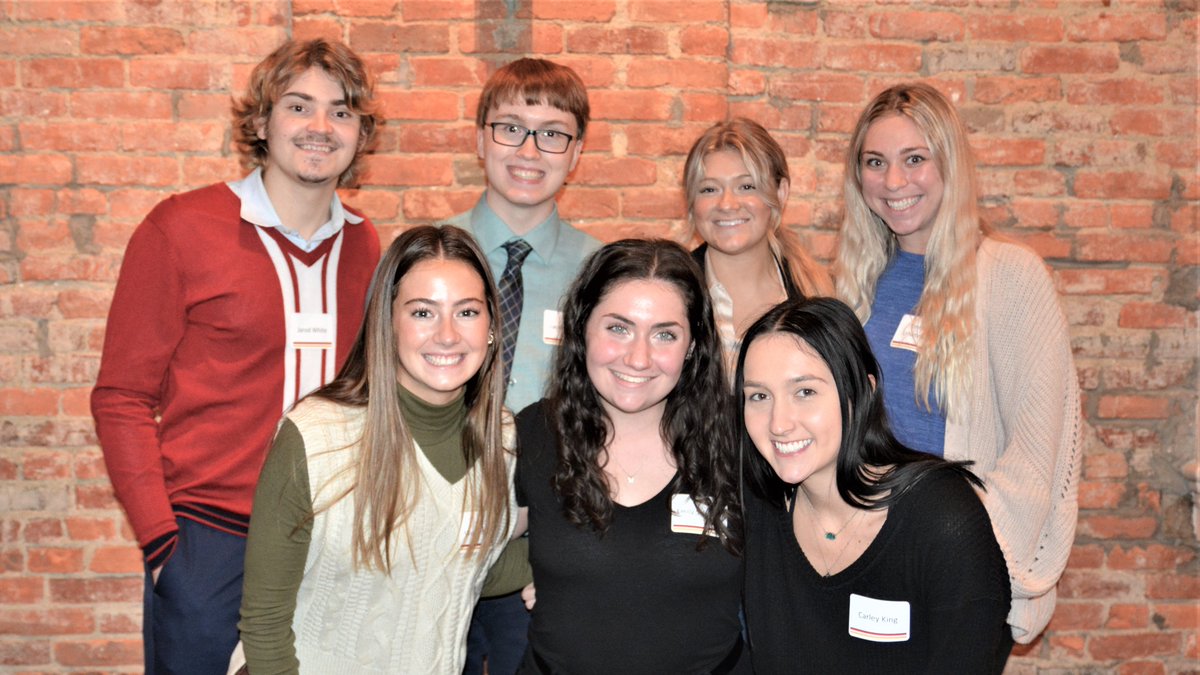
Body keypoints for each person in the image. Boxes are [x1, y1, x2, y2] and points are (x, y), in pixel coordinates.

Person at [90, 38, 382, 674]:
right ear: (261, 121)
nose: (319, 127)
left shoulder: (366, 246)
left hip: (329, 543)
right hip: (211, 540)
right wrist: (162, 543)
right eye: (298, 106)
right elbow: (122, 396)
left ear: (361, 134)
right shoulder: (179, 228)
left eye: (340, 111)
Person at [834, 82, 1081, 643]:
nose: (894, 182)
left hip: (958, 563)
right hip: (858, 558)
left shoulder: (1010, 277)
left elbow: (1035, 456)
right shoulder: (856, 285)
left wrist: (948, 538)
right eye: (876, 162)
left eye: (915, 159)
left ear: (951, 164)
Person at [236, 225, 523, 674]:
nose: (447, 335)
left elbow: (467, 564)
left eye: (467, 312)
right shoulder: (315, 436)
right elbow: (264, 621)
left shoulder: (501, 437)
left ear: (491, 327)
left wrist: (576, 562)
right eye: (423, 313)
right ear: (387, 323)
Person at [737, 298, 1012, 673]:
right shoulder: (758, 506)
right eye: (759, 396)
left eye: (805, 392)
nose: (778, 423)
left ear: (861, 392)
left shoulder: (942, 518)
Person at [515, 240, 747, 675]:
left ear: (693, 345)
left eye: (664, 334)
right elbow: (466, 548)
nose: (638, 358)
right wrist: (546, 577)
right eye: (618, 328)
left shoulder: (742, 443)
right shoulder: (535, 434)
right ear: (581, 327)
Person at [446, 57, 602, 674]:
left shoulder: (602, 272)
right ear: (480, 137)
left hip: (545, 548)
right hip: (435, 533)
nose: (530, 150)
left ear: (577, 151)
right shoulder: (427, 251)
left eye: (553, 133)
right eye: (510, 127)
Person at [683, 117, 833, 373]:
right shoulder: (673, 292)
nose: (727, 204)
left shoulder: (819, 293)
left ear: (781, 192)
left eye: (746, 186)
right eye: (709, 189)